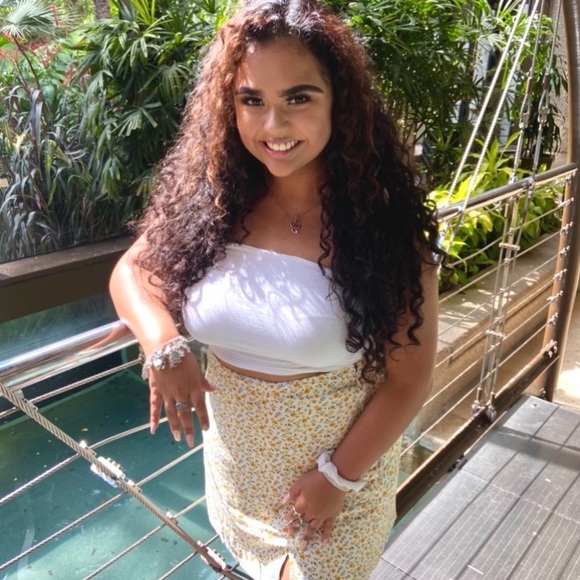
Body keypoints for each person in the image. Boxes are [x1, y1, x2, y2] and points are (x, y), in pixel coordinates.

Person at [109, 0, 443, 578]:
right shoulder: (212, 203)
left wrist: (338, 477)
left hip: (340, 483)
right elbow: (133, 272)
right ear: (229, 106)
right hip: (238, 477)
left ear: (339, 101)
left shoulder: (383, 229)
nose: (273, 126)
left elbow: (408, 380)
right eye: (252, 100)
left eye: (298, 98)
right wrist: (163, 344)